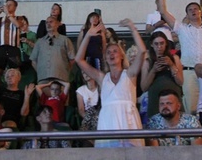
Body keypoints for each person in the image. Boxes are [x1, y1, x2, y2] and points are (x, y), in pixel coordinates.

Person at [75, 17, 146, 147]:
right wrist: (88, 36)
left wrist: (132, 28)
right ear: (105, 58)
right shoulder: (102, 78)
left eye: (115, 51)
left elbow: (142, 51)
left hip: (128, 121)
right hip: (108, 121)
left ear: (121, 55)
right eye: (108, 52)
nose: (112, 54)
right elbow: (79, 60)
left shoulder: (130, 74)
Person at [156, 0, 202, 114]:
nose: (193, 11)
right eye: (190, 10)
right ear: (187, 14)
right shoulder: (182, 29)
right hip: (189, 72)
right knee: (192, 109)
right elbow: (163, 12)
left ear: (201, 12)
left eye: (196, 9)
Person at [140, 31, 183, 122]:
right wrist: (153, 71)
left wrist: (171, 65)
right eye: (156, 44)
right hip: (155, 100)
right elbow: (144, 87)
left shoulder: (174, 58)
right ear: (152, 45)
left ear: (166, 44)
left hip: (173, 98)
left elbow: (180, 81)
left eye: (162, 43)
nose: (159, 47)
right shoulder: (147, 62)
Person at [30, 16, 76, 84]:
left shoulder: (65, 40)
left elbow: (72, 59)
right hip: (43, 79)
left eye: (51, 22)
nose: (48, 24)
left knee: (61, 94)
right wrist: (40, 72)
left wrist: (65, 71)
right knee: (43, 95)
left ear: (57, 24)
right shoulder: (39, 42)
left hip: (61, 78)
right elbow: (33, 60)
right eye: (46, 23)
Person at [0, 0, 23, 82]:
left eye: (10, 5)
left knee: (15, 71)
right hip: (1, 48)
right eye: (6, 5)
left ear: (15, 7)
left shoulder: (19, 18)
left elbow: (18, 25)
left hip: (13, 48)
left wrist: (8, 13)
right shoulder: (0, 19)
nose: (7, 6)